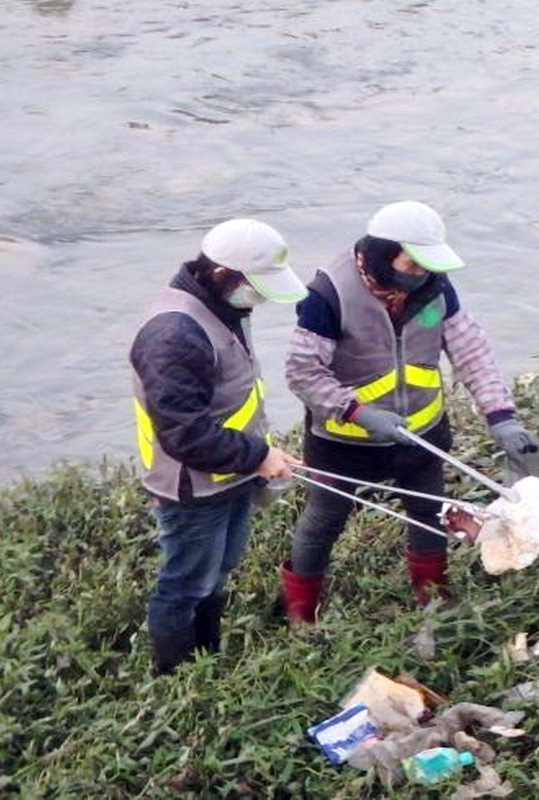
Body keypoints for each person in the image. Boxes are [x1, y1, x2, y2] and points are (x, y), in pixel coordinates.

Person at [281, 200, 537, 617]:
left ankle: (432, 597)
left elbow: (470, 350)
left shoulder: (435, 286)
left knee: (428, 511)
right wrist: (357, 412)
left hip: (421, 433)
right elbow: (302, 371)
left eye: (426, 267)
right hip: (344, 440)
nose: (419, 275)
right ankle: (300, 611)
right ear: (382, 255)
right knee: (324, 520)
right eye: (411, 265)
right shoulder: (329, 294)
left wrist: (501, 417)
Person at [130, 218, 306, 675]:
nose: (261, 298)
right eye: (256, 287)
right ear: (222, 274)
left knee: (217, 575)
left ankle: (206, 663)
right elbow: (184, 432)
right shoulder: (174, 334)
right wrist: (258, 455)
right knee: (185, 585)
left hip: (232, 476)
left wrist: (260, 456)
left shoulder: (227, 309)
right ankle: (174, 678)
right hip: (193, 488)